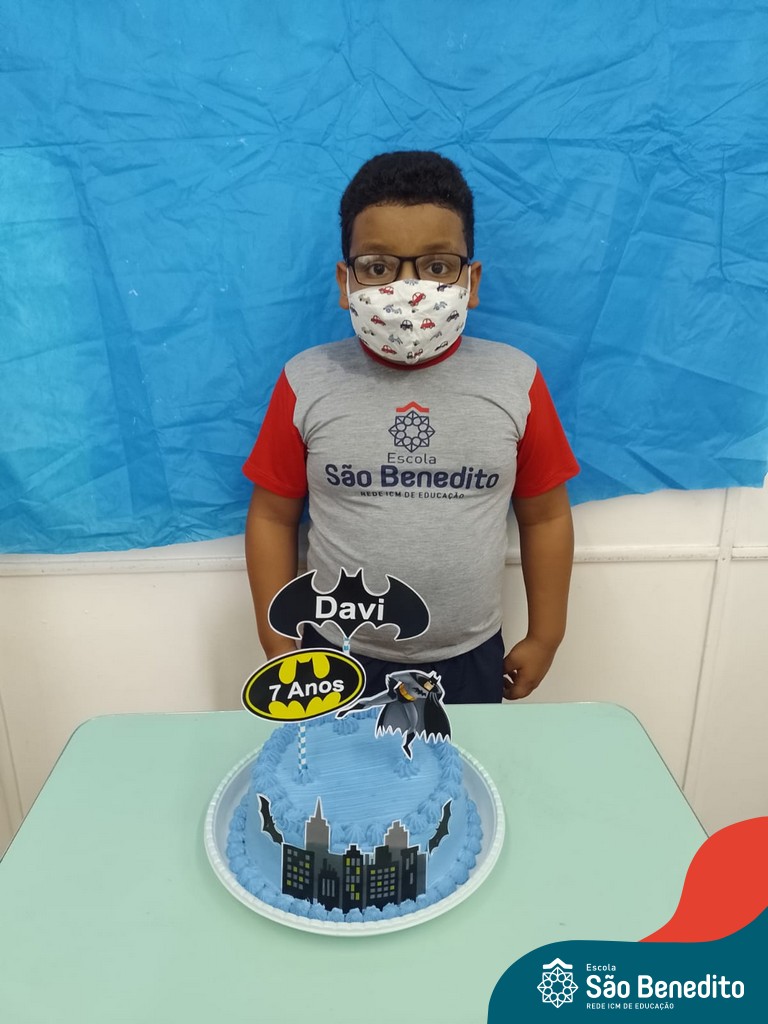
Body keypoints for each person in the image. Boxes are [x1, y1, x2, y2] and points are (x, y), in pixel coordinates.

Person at [243, 150, 578, 703]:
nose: (409, 289)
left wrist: (547, 635)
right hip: (332, 654)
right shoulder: (306, 380)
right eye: (378, 267)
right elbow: (272, 516)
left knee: (459, 763)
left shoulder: (516, 380)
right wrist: (276, 635)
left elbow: (545, 516)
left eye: (437, 266)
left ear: (470, 280)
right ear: (346, 282)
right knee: (339, 766)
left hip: (470, 655)